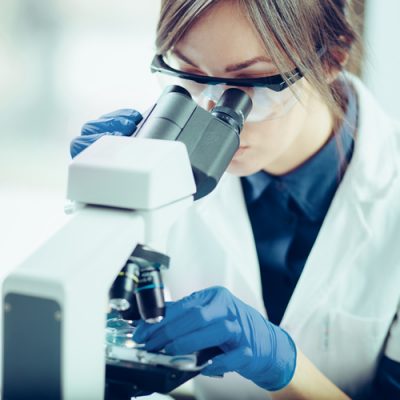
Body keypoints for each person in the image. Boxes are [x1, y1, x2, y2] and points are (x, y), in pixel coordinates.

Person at [70, 1, 400, 398]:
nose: (211, 109)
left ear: (331, 58)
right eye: (189, 74)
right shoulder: (166, 160)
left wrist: (286, 368)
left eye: (252, 83)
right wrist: (102, 204)